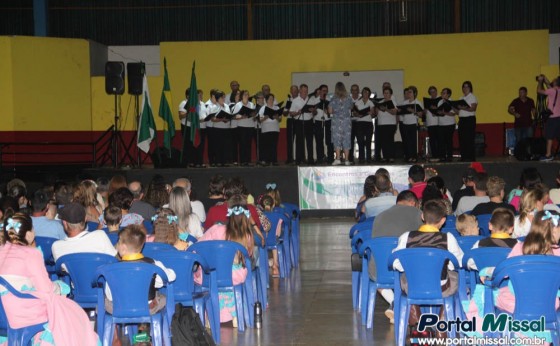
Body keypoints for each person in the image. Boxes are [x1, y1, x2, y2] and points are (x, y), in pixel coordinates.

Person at [0, 212, 100, 345]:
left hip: (4, 313)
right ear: (29, 234)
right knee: (72, 311)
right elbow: (46, 289)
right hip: (22, 313)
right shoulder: (31, 254)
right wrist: (60, 287)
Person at [392, 199, 464, 335]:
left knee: (406, 277)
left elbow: (396, 264)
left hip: (413, 287)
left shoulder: (406, 237)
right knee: (455, 277)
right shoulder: (448, 238)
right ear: (443, 220)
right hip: (441, 288)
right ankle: (442, 322)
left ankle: (418, 323)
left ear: (423, 216)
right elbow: (459, 263)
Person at [195, 195, 259, 324]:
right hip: (234, 275)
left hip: (209, 276)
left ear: (228, 217)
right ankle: (234, 313)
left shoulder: (216, 229)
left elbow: (198, 246)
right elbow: (249, 255)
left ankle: (210, 315)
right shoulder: (247, 236)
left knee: (203, 278)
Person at [106, 225, 176, 316]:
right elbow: (171, 276)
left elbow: (110, 296)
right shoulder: (152, 264)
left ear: (123, 247)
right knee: (163, 297)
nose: (116, 246)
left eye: (118, 243)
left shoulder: (112, 269)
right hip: (147, 308)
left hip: (119, 308)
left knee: (104, 301)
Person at [52, 202, 117, 261]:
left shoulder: (57, 247)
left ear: (65, 223)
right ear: (85, 219)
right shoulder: (100, 236)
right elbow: (115, 259)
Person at [327, 82, 354, 165]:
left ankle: (338, 158)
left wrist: (336, 111)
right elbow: (351, 107)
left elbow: (330, 111)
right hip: (346, 122)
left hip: (337, 122)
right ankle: (346, 160)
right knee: (346, 140)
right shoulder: (349, 98)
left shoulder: (333, 98)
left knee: (337, 140)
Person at [289, 84, 315, 165]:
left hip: (309, 122)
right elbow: (291, 113)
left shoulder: (311, 99)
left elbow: (315, 112)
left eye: (306, 91)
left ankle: (310, 159)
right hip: (299, 122)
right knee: (299, 141)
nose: (305, 92)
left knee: (309, 141)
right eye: (303, 91)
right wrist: (298, 112)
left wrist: (313, 110)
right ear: (300, 91)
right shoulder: (295, 100)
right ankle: (298, 160)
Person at [537, 75, 560, 161]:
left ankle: (548, 155)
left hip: (552, 117)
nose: (552, 81)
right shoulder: (558, 90)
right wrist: (545, 78)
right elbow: (549, 85)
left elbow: (539, 91)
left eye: (553, 80)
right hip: (559, 117)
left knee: (549, 136)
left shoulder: (552, 91)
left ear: (556, 83)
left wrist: (540, 81)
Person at [454, 81, 478, 162]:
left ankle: (471, 157)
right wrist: (452, 106)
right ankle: (463, 156)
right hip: (462, 120)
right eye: (463, 87)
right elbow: (458, 112)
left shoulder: (472, 97)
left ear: (470, 88)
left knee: (469, 138)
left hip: (469, 119)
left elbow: (473, 108)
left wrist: (462, 107)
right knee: (462, 139)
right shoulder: (461, 98)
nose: (465, 88)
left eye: (467, 87)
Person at [232, 90, 256, 166]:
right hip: (241, 126)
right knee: (242, 144)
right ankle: (243, 161)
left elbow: (254, 113)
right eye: (245, 95)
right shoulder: (238, 105)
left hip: (250, 126)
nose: (246, 96)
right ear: (241, 96)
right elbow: (234, 116)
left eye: (247, 94)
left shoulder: (251, 104)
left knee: (248, 144)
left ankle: (248, 160)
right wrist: (242, 117)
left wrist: (253, 114)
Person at [209, 90, 233, 167]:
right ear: (217, 98)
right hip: (217, 129)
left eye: (224, 97)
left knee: (226, 146)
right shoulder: (214, 107)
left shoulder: (226, 106)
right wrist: (222, 119)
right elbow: (213, 119)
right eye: (221, 97)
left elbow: (229, 116)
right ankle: (218, 161)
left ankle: (224, 161)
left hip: (226, 128)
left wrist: (227, 119)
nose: (223, 98)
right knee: (218, 146)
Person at [374, 86, 398, 163]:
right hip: (381, 124)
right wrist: (377, 109)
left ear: (390, 94)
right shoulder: (380, 102)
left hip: (390, 124)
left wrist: (386, 109)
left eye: (387, 93)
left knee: (390, 141)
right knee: (383, 141)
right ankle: (385, 156)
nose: (386, 94)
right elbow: (376, 113)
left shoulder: (393, 102)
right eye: (384, 93)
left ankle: (391, 156)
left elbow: (394, 112)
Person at [399, 86, 423, 163]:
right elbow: (401, 113)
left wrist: (413, 111)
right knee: (407, 141)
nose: (408, 93)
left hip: (413, 124)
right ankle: (408, 156)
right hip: (405, 123)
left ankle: (414, 156)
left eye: (410, 92)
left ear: (414, 93)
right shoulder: (404, 103)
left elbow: (420, 115)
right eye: (408, 92)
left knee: (413, 141)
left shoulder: (418, 102)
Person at [353, 87, 374, 164]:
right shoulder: (358, 102)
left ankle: (369, 158)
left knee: (368, 141)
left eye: (367, 93)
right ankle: (361, 158)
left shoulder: (371, 102)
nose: (365, 94)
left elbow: (374, 113)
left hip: (368, 123)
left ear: (369, 94)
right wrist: (357, 114)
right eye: (364, 92)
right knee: (360, 141)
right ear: (362, 93)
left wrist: (372, 112)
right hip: (359, 123)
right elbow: (354, 112)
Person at [259, 93, 281, 166]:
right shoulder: (263, 108)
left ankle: (274, 160)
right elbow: (260, 119)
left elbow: (280, 119)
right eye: (270, 99)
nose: (271, 100)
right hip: (266, 129)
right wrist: (266, 117)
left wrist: (276, 117)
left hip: (275, 129)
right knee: (266, 145)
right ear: (266, 100)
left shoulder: (276, 108)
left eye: (272, 99)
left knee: (274, 145)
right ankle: (267, 160)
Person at [436, 87, 457, 162]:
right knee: (441, 141)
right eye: (442, 92)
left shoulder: (451, 101)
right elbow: (438, 112)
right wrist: (436, 112)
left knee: (448, 141)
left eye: (444, 93)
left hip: (449, 124)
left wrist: (444, 113)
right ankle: (442, 156)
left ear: (448, 94)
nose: (442, 94)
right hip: (441, 124)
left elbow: (454, 113)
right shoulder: (439, 102)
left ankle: (449, 156)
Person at [312, 85, 331, 165]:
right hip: (318, 121)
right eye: (323, 90)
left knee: (329, 140)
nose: (325, 92)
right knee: (319, 140)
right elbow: (312, 113)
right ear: (319, 91)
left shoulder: (329, 100)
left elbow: (332, 112)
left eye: (326, 90)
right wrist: (315, 110)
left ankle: (330, 158)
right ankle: (320, 158)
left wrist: (328, 111)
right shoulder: (314, 100)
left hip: (327, 121)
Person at [424, 86, 440, 161]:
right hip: (430, 123)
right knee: (432, 140)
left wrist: (435, 110)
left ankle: (439, 155)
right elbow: (424, 113)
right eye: (431, 92)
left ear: (436, 92)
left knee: (438, 140)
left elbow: (442, 111)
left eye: (434, 91)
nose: (433, 93)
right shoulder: (428, 101)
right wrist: (425, 110)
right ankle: (434, 155)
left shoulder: (440, 101)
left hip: (438, 123)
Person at [285, 85, 299, 165]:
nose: (293, 92)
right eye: (292, 91)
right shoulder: (289, 99)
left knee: (299, 140)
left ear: (297, 91)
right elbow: (284, 113)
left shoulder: (300, 99)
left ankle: (298, 158)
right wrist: (288, 107)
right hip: (290, 120)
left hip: (298, 120)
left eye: (295, 91)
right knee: (290, 140)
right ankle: (290, 158)